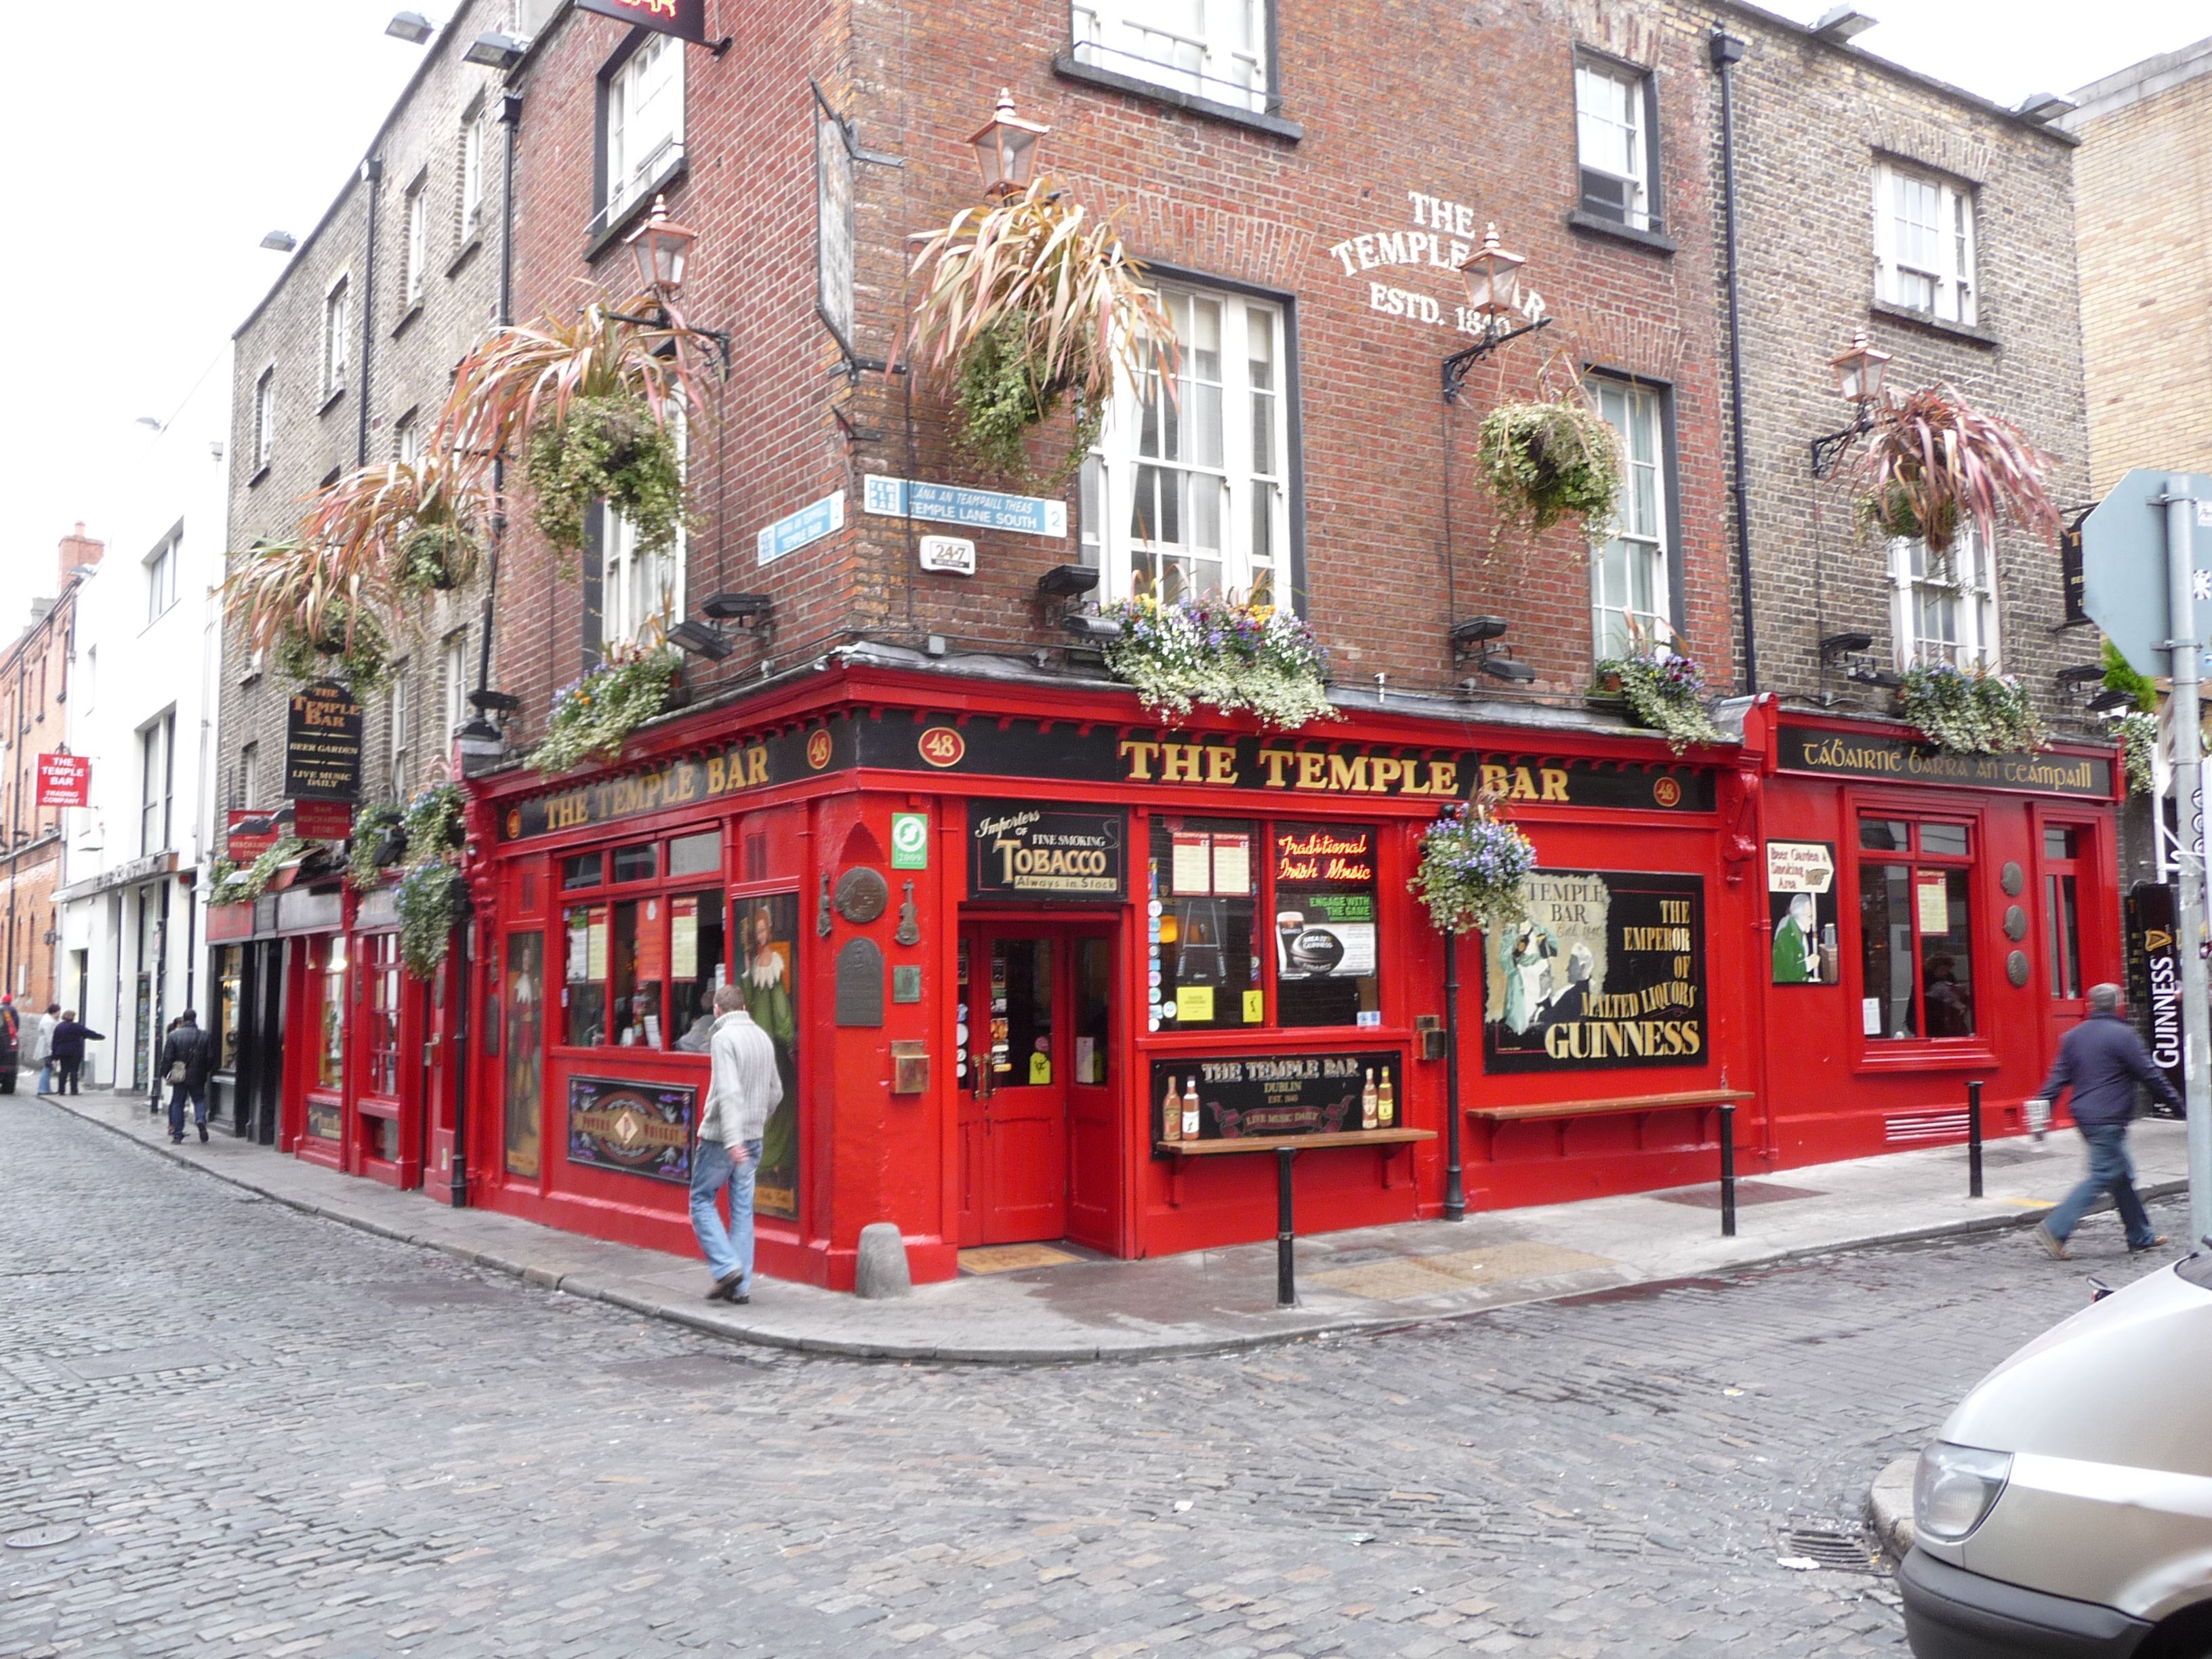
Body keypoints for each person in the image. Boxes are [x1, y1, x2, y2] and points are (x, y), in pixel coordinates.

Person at [2032, 982, 2177, 1260]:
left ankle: (2141, 1236)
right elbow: (2150, 1075)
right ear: (2118, 1004)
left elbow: (2055, 1081)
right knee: (2102, 1175)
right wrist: (2179, 1106)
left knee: (2121, 1177)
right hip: (2108, 1119)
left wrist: (2039, 1120)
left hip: (2086, 1117)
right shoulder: (2124, 1036)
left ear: (2090, 1006)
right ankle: (2055, 1229)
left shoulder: (2073, 1037)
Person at [689, 982, 782, 1305]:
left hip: (723, 1139)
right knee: (742, 1210)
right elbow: (776, 1093)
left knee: (701, 1200)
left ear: (717, 1009)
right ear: (743, 1008)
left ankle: (728, 1267)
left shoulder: (723, 1038)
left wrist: (732, 1139)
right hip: (754, 1136)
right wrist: (757, 1122)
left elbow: (728, 1091)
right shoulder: (763, 1038)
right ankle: (740, 1289)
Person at [159, 1010, 218, 1145]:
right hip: (198, 1075)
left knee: (178, 1103)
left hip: (180, 1076)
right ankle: (200, 1119)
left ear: (184, 1019)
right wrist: (206, 1069)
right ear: (195, 1019)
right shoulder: (205, 1036)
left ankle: (177, 1135)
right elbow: (210, 1057)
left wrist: (165, 1073)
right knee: (199, 1099)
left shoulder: (174, 1035)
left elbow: (167, 1057)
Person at [48, 1012, 100, 1095]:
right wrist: (100, 1037)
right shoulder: (77, 1026)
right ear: (72, 1018)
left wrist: (54, 1056)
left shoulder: (59, 1027)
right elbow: (88, 1033)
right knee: (74, 1071)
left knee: (63, 1071)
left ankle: (61, 1090)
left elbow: (55, 1042)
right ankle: (74, 1090)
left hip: (62, 1052)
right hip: (75, 1051)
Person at [26, 1003, 58, 1094]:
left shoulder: (48, 1019)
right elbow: (49, 1037)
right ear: (55, 1012)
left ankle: (46, 1088)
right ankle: (43, 1088)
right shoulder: (49, 1021)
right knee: (48, 1066)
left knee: (48, 1067)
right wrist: (51, 1050)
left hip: (45, 1046)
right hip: (47, 1048)